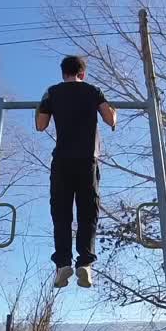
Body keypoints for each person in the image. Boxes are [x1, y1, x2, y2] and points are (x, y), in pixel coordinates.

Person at [36, 55, 116, 288]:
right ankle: (85, 264)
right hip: (87, 161)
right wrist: (114, 115)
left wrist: (43, 107)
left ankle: (63, 264)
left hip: (62, 161)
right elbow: (110, 118)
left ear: (64, 74)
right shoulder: (93, 91)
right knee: (88, 212)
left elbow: (41, 125)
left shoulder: (52, 92)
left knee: (61, 214)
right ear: (83, 73)